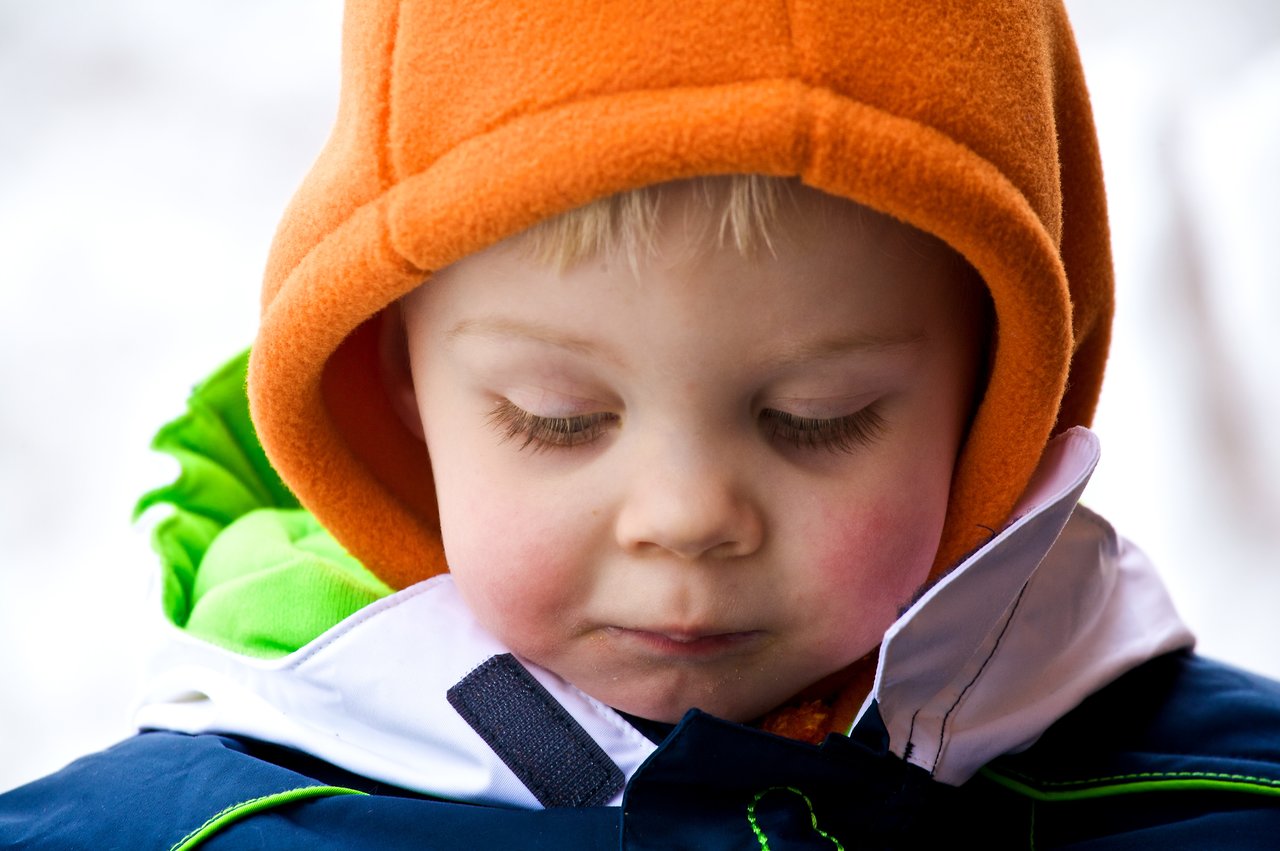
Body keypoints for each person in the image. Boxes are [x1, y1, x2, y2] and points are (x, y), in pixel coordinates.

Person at [3, 0, 1279, 847]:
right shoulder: (188, 829)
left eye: (812, 418)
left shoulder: (1216, 798)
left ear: (993, 397)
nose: (685, 515)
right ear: (393, 384)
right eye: (558, 420)